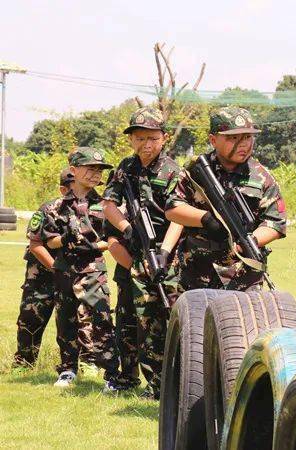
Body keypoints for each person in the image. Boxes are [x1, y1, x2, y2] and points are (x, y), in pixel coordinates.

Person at [102, 106, 183, 399]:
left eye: (151, 138)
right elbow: (108, 204)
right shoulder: (125, 167)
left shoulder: (174, 171)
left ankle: (167, 383)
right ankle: (140, 381)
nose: (145, 145)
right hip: (135, 249)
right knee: (134, 316)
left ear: (164, 137)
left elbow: (179, 217)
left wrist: (163, 250)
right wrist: (125, 229)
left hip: (168, 253)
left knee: (165, 315)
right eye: (138, 138)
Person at [165, 106, 286, 292]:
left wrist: (251, 241)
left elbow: (275, 223)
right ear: (213, 140)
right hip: (197, 274)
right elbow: (173, 208)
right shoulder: (195, 171)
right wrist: (205, 219)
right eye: (233, 138)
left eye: (247, 137)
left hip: (243, 276)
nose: (243, 144)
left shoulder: (262, 177)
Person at [41, 147, 121, 391]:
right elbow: (49, 240)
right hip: (65, 268)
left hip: (92, 268)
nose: (95, 174)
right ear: (74, 171)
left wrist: (93, 244)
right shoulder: (54, 207)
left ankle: (111, 374)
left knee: (100, 319)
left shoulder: (106, 205)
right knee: (65, 318)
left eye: (99, 170)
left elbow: (114, 239)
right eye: (90, 168)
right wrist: (66, 239)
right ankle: (67, 370)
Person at [12, 169, 94, 369]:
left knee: (76, 321)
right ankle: (24, 364)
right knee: (31, 319)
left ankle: (77, 366)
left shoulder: (88, 211)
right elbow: (36, 245)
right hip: (41, 277)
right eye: (71, 189)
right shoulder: (48, 209)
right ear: (62, 189)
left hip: (73, 276)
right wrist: (56, 269)